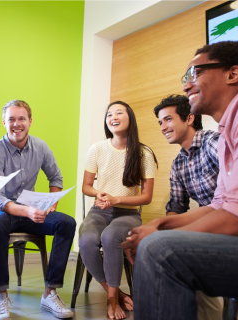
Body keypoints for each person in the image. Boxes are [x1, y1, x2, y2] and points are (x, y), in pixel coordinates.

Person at [123, 41, 238, 319]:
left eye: (194, 74)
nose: (187, 86)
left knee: (160, 250)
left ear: (232, 74)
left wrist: (163, 233)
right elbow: (218, 206)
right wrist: (160, 224)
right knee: (154, 240)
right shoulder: (224, 139)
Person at [0, 100, 76, 320]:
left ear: (30, 121)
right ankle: (1, 294)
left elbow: (56, 177)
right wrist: (27, 212)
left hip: (28, 212)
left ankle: (50, 292)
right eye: (11, 119)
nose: (17, 124)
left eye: (21, 118)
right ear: (4, 123)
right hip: (1, 212)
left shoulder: (41, 147)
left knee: (67, 223)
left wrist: (52, 202)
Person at [79, 101, 157, 320]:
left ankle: (112, 301)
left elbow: (147, 197)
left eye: (119, 112)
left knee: (111, 236)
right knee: (86, 240)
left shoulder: (144, 153)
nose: (113, 117)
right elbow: (86, 186)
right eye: (109, 114)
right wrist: (99, 195)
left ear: (130, 117)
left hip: (129, 215)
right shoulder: (97, 148)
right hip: (99, 212)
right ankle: (115, 293)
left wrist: (116, 199)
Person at [154, 94, 223, 320]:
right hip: (209, 223)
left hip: (231, 221)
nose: (163, 127)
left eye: (168, 120)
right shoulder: (178, 163)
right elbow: (177, 205)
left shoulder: (213, 142)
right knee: (158, 244)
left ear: (189, 118)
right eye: (160, 123)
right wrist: (163, 231)